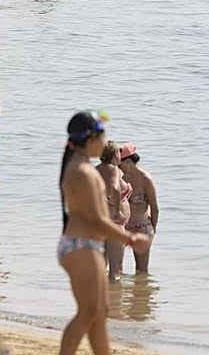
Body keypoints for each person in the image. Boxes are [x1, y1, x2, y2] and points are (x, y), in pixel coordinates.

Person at [58, 112, 151, 355]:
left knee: (99, 314)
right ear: (91, 138)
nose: (107, 142)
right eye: (103, 135)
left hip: (83, 246)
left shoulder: (80, 167)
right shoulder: (83, 172)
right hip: (81, 247)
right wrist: (130, 239)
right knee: (88, 313)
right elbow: (98, 219)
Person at [118, 142, 159, 274]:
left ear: (129, 161)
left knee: (141, 271)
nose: (119, 168)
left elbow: (154, 207)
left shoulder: (146, 179)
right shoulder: (123, 178)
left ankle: (142, 294)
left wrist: (153, 228)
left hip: (142, 227)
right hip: (125, 229)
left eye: (120, 165)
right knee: (117, 269)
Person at [96, 142, 131, 282]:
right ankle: (116, 303)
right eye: (118, 152)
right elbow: (115, 188)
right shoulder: (114, 170)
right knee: (116, 272)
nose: (120, 155)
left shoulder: (95, 170)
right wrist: (117, 212)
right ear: (114, 155)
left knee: (101, 269)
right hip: (114, 223)